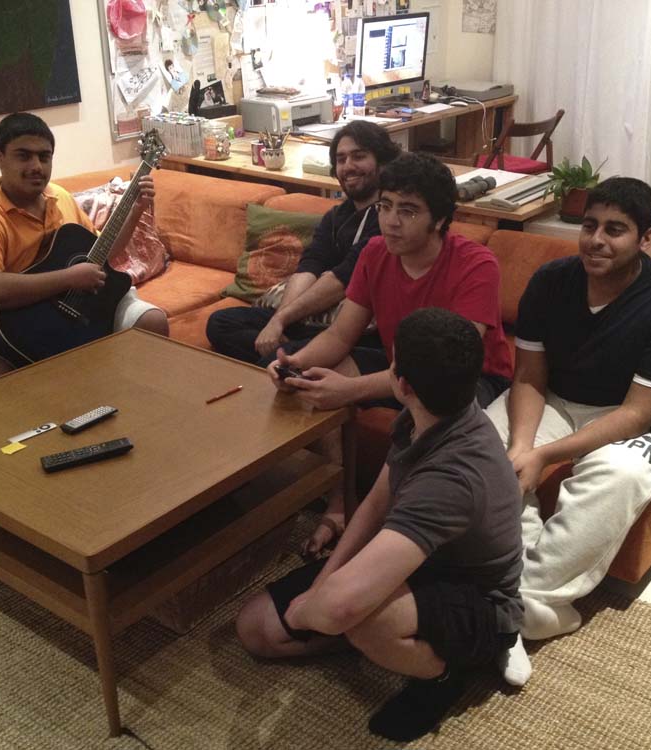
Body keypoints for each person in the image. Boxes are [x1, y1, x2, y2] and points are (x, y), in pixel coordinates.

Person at [236, 308, 524, 743]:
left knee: (361, 618)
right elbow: (376, 502)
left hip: (479, 601)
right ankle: (374, 637)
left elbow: (341, 607)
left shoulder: (452, 477)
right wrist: (324, 584)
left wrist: (311, 610)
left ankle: (444, 675)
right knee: (257, 629)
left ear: (402, 384)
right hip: (417, 560)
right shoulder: (424, 416)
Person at [484, 177, 651, 655]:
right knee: (482, 444)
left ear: (646, 239)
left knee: (619, 473)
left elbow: (637, 414)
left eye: (615, 229)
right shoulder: (550, 281)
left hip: (642, 411)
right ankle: (515, 589)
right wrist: (522, 448)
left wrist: (545, 455)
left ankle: (527, 605)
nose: (596, 240)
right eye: (589, 226)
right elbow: (528, 377)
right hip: (557, 397)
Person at [269, 152, 514, 556]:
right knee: (312, 377)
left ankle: (401, 530)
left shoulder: (476, 264)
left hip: (466, 376)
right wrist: (296, 363)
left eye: (408, 210)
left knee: (415, 412)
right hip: (399, 363)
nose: (391, 221)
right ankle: (340, 502)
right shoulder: (375, 252)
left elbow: (442, 369)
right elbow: (341, 335)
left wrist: (350, 390)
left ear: (439, 219)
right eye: (385, 206)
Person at [0, 112, 169, 390]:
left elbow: (101, 255)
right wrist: (69, 278)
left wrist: (135, 212)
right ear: (0, 158)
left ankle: (140, 403)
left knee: (152, 321)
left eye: (44, 156)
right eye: (23, 156)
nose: (36, 166)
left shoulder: (60, 197)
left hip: (71, 305)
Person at [205, 121, 400, 365]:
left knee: (272, 362)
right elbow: (309, 267)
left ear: (382, 162)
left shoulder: (387, 218)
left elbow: (342, 280)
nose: (348, 166)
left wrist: (280, 321)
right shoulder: (336, 217)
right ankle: (290, 356)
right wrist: (280, 322)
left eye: (359, 157)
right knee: (220, 323)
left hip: (354, 328)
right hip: (312, 317)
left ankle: (289, 359)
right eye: (341, 159)